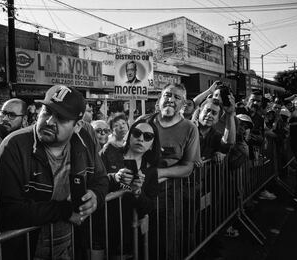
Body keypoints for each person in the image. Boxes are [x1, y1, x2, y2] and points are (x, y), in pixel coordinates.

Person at [0, 85, 108, 259]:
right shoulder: (14, 146)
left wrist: (96, 195)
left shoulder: (84, 142)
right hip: (25, 252)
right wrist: (65, 210)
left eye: (61, 117)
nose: (50, 121)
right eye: (46, 112)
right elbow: (6, 213)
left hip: (70, 249)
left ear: (77, 126)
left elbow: (101, 179)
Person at [139, 83, 200, 259]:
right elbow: (128, 154)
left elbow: (188, 166)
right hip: (139, 193)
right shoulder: (143, 122)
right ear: (160, 99)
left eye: (177, 97)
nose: (171, 100)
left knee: (167, 244)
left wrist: (159, 174)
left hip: (170, 196)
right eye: (167, 95)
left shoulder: (190, 128)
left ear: (183, 104)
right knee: (140, 243)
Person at [98, 118, 160, 257]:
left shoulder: (150, 169)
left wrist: (137, 192)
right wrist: (116, 178)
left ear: (152, 144)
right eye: (137, 133)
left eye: (148, 136)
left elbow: (149, 206)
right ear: (130, 135)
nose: (141, 139)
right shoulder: (109, 151)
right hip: (101, 224)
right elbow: (94, 180)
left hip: (129, 230)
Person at [194, 97, 236, 164]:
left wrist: (230, 115)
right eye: (207, 111)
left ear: (218, 119)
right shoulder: (188, 129)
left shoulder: (216, 136)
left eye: (214, 113)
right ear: (199, 112)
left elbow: (228, 142)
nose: (209, 115)